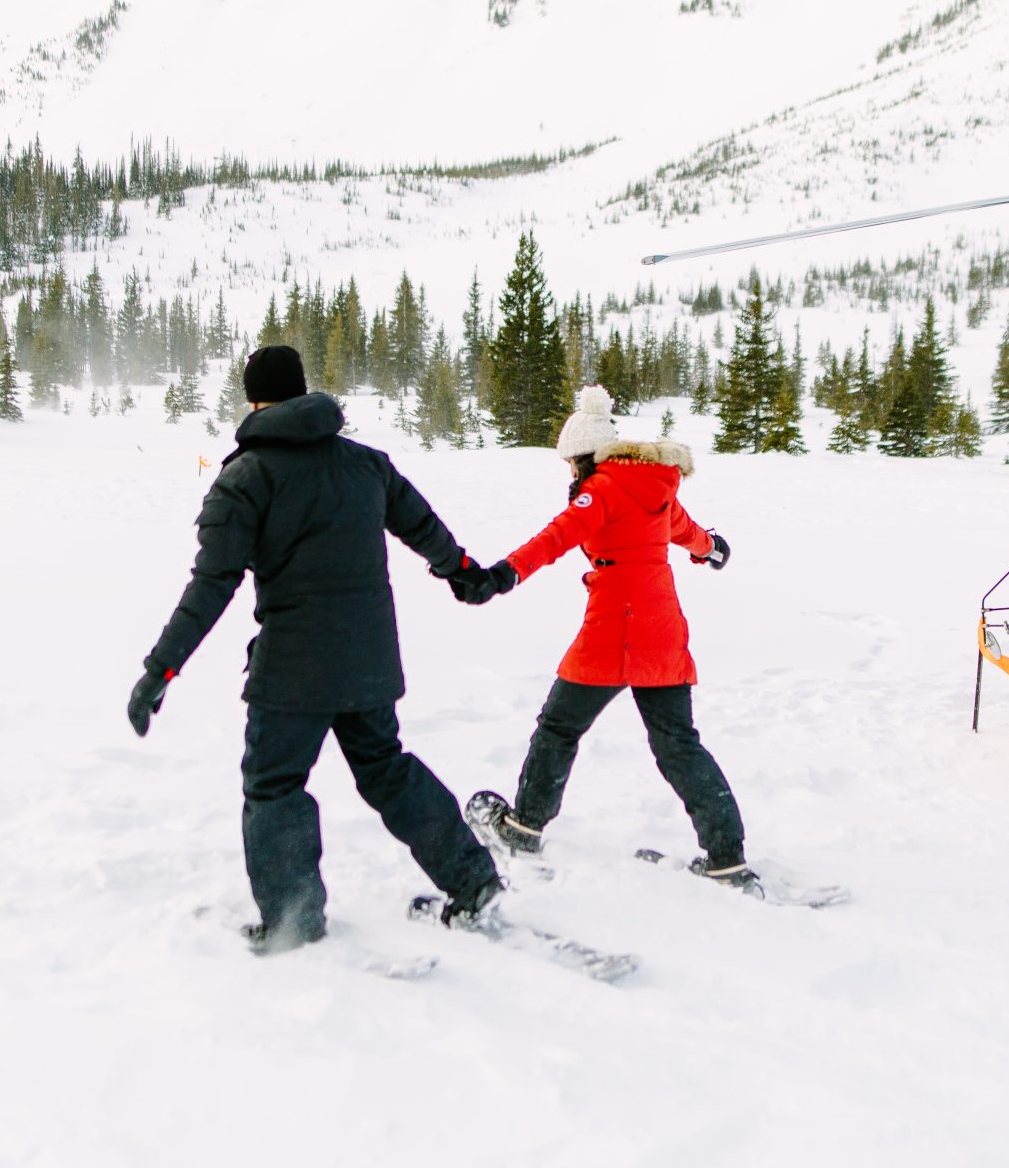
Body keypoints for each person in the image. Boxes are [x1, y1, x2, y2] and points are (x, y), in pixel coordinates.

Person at [129, 344, 502, 954]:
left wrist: (160, 669)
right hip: (368, 657)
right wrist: (462, 571)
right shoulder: (366, 464)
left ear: (254, 401)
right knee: (385, 767)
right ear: (302, 392)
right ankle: (472, 879)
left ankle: (294, 919)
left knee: (274, 785)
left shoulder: (245, 477)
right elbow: (423, 528)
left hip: (293, 669)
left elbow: (211, 584)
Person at [456, 385, 753, 888]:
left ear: (586, 457)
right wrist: (713, 550)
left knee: (558, 727)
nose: (569, 473)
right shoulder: (654, 486)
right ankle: (727, 857)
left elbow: (557, 536)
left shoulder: (603, 490)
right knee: (679, 744)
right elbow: (687, 532)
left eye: (571, 463)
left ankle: (524, 828)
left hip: (615, 626)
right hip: (661, 625)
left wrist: (501, 576)